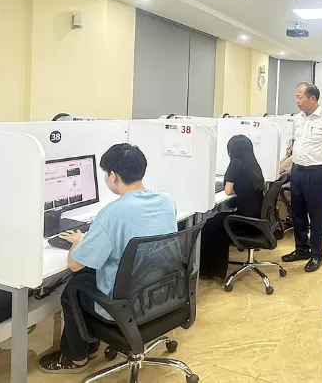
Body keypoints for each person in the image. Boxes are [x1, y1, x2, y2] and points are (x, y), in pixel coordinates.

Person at [38, 144, 177, 375]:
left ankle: (76, 358)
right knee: (89, 276)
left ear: (113, 176)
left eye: (105, 174)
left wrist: (79, 242)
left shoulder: (112, 213)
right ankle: (90, 346)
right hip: (162, 292)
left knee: (75, 286)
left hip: (128, 304)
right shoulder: (166, 201)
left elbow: (75, 264)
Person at [282, 83, 322, 272]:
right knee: (297, 214)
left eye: (300, 97)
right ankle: (302, 249)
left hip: (317, 173)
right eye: (296, 97)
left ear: (312, 98)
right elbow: (294, 142)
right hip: (297, 171)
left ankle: (317, 255)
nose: (297, 100)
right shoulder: (297, 119)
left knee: (316, 216)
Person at [199, 135, 266, 279]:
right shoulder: (253, 165)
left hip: (244, 220)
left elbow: (228, 190)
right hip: (255, 218)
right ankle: (215, 269)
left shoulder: (235, 164)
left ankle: (209, 271)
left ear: (232, 150)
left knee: (210, 225)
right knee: (216, 220)